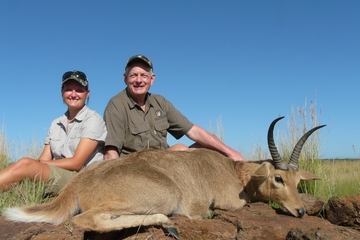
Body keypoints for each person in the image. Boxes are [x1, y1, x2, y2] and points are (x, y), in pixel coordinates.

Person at [103, 54, 245, 161]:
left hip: (163, 162)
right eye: (133, 75)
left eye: (144, 75)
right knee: (181, 149)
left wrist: (231, 152)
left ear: (152, 79)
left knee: (212, 142)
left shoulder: (160, 102)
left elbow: (192, 131)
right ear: (125, 78)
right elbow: (111, 152)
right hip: (137, 168)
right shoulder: (116, 105)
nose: (139, 80)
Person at [0, 70, 107, 193]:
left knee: (26, 165)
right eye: (68, 89)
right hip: (62, 176)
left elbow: (76, 163)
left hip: (85, 181)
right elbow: (43, 159)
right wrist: (37, 164)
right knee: (23, 171)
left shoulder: (93, 119)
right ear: (62, 92)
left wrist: (35, 164)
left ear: (87, 94)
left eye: (79, 90)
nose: (73, 94)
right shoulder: (56, 123)